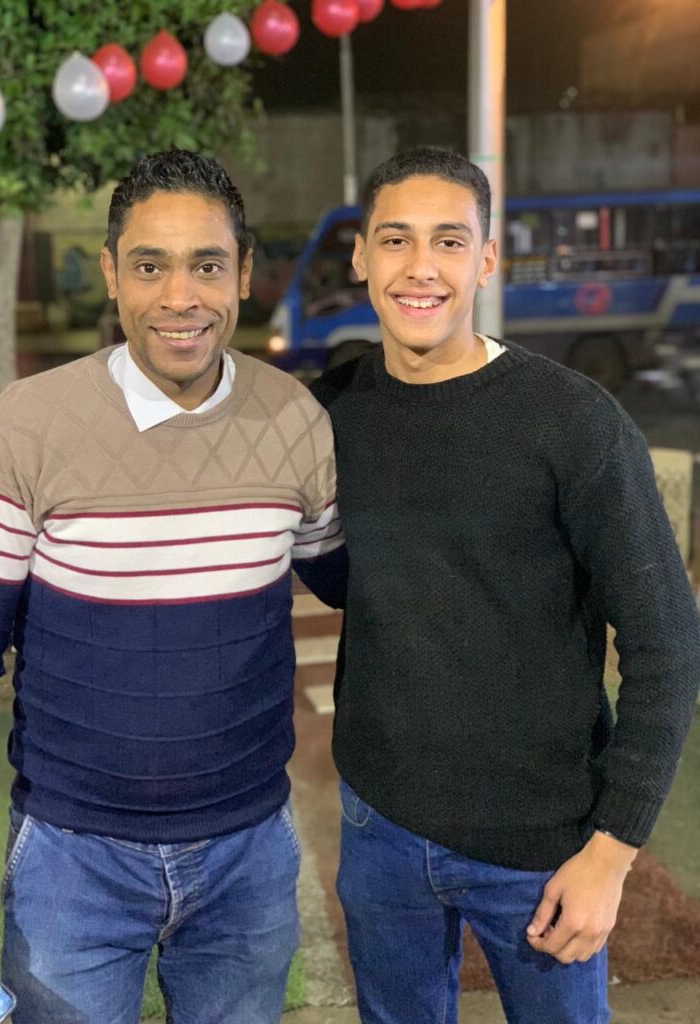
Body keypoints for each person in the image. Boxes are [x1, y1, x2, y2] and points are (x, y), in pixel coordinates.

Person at [0, 149, 346, 1024]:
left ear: (243, 273)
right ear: (112, 273)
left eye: (207, 265)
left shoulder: (299, 422)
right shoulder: (26, 427)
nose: (180, 297)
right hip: (70, 866)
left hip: (249, 860)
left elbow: (359, 579)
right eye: (151, 266)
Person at [298, 148, 700, 1024]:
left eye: (449, 241)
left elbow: (669, 643)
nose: (421, 267)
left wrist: (611, 853)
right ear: (360, 256)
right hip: (378, 825)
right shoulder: (331, 411)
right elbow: (350, 578)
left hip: (541, 849)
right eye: (396, 239)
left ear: (485, 260)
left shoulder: (574, 423)